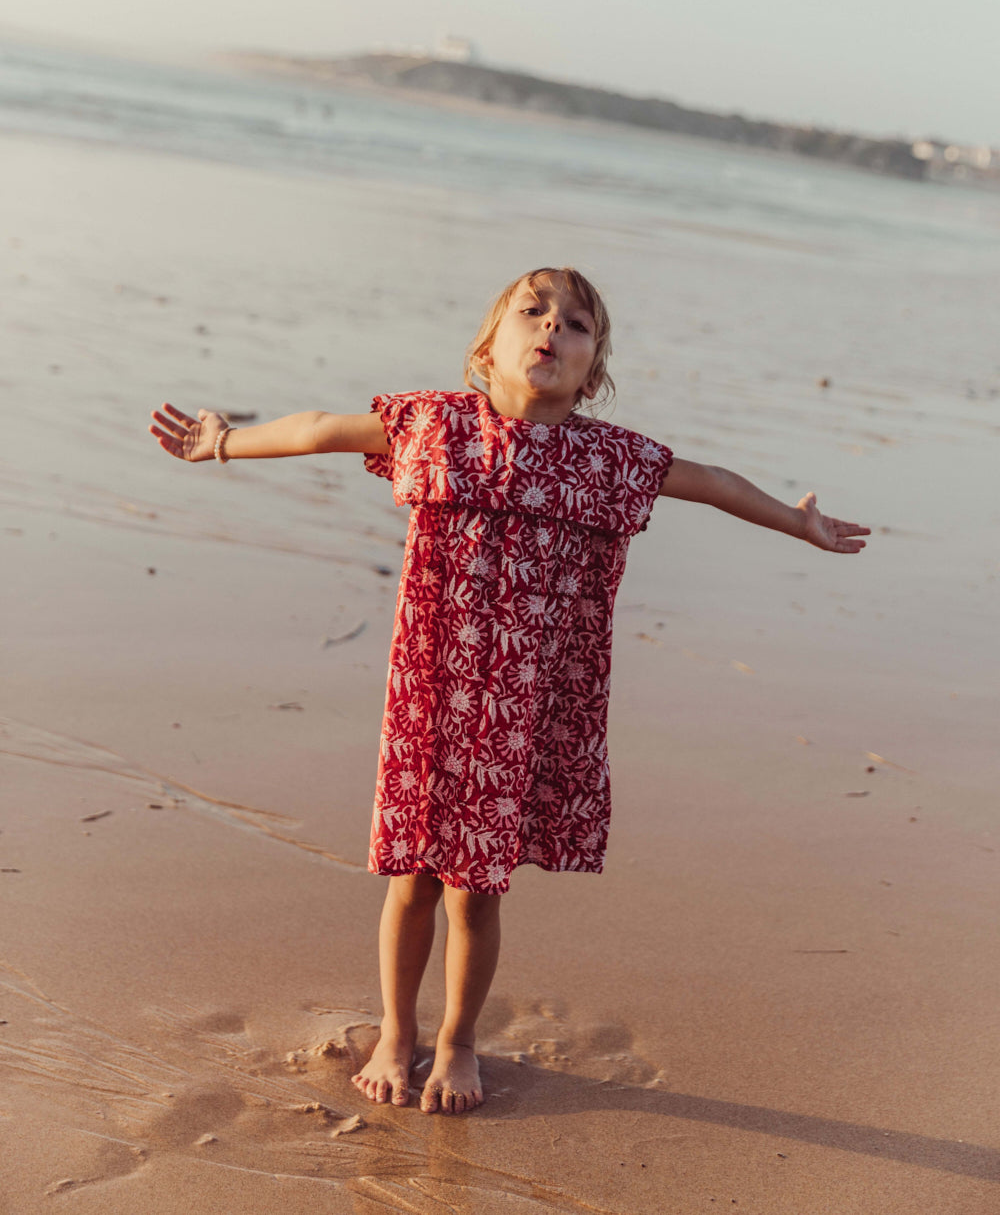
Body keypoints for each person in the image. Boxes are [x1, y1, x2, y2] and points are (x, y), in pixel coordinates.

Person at [149, 266, 869, 1116]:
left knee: (476, 890)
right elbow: (317, 430)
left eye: (576, 325)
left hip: (524, 705)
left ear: (591, 370)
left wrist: (798, 521)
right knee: (410, 877)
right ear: (486, 351)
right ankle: (396, 1032)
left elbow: (709, 481)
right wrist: (224, 442)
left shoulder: (608, 461)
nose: (552, 330)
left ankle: (456, 1041)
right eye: (533, 313)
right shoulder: (432, 425)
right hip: (430, 691)